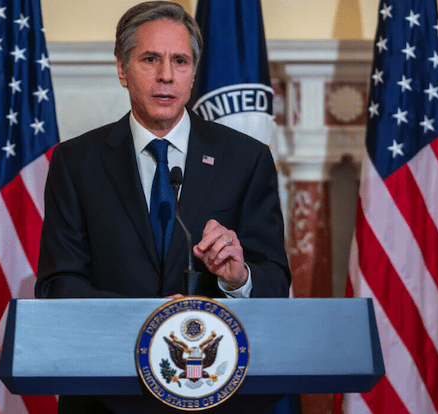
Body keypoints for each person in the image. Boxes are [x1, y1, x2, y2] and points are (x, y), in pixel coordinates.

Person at [35, 2, 291, 412]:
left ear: (193, 72)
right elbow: (57, 287)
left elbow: (275, 282)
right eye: (150, 59)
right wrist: (153, 318)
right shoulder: (75, 163)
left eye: (180, 61)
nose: (166, 76)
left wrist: (237, 277)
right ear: (122, 69)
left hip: (217, 395)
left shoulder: (246, 159)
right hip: (106, 395)